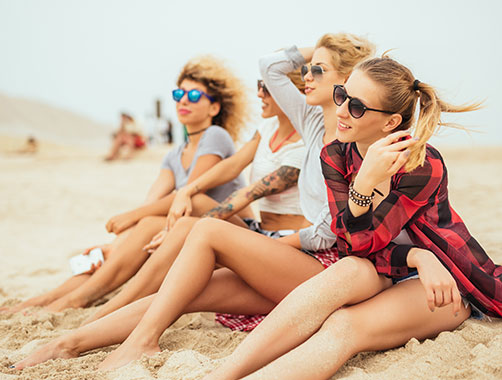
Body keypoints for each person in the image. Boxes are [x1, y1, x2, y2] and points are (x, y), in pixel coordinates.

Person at [10, 32, 376, 371]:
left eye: (318, 70)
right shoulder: (313, 121)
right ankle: (70, 342)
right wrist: (324, 46)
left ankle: (142, 341)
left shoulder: (352, 144)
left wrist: (269, 242)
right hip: (295, 260)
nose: (306, 74)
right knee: (189, 290)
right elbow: (270, 65)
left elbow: (330, 232)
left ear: (345, 81)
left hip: (326, 268)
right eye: (308, 68)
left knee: (206, 232)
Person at [202, 55, 502, 380]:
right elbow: (352, 247)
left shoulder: (420, 164)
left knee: (343, 325)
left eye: (357, 107)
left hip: (445, 281)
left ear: (390, 123)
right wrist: (416, 252)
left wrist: (362, 188)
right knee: (347, 268)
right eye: (341, 95)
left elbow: (365, 241)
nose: (342, 110)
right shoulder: (335, 155)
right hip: (386, 266)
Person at [0, 55, 249, 314]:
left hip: (231, 233)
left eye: (195, 96)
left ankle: (77, 300)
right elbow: (152, 202)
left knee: (149, 222)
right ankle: (38, 302)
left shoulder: (216, 137)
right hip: (187, 232)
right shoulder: (174, 155)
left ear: (214, 108)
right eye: (179, 94)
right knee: (115, 247)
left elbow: (187, 196)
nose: (184, 101)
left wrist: (130, 218)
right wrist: (117, 244)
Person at [80, 75, 308, 325]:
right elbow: (232, 166)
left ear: (291, 91)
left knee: (191, 225)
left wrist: (172, 228)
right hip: (261, 233)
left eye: (267, 87)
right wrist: (188, 192)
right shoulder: (267, 130)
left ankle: (112, 310)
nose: (259, 94)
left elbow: (247, 194)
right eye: (259, 86)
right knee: (190, 208)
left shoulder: (308, 140)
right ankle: (112, 303)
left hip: (289, 242)